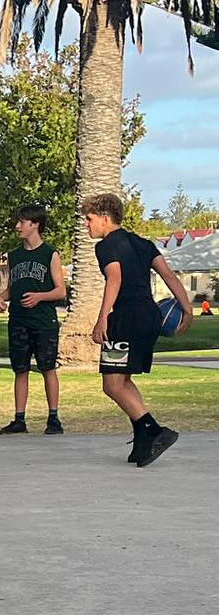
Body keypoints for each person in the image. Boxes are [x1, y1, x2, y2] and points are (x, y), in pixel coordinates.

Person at [85, 193, 192, 467]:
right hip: (149, 318)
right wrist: (187, 308)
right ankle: (144, 440)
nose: (87, 225)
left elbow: (115, 278)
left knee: (111, 384)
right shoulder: (143, 243)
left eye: (89, 219)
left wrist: (102, 318)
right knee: (123, 380)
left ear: (105, 219)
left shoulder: (106, 246)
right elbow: (168, 275)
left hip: (126, 319)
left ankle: (154, 431)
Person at [0, 205, 67, 435]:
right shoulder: (14, 256)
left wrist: (39, 297)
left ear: (35, 225)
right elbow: (13, 288)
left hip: (44, 322)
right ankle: (19, 419)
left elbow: (60, 291)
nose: (18, 226)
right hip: (18, 321)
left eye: (22, 222)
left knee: (47, 368)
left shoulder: (50, 254)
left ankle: (53, 418)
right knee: (20, 369)